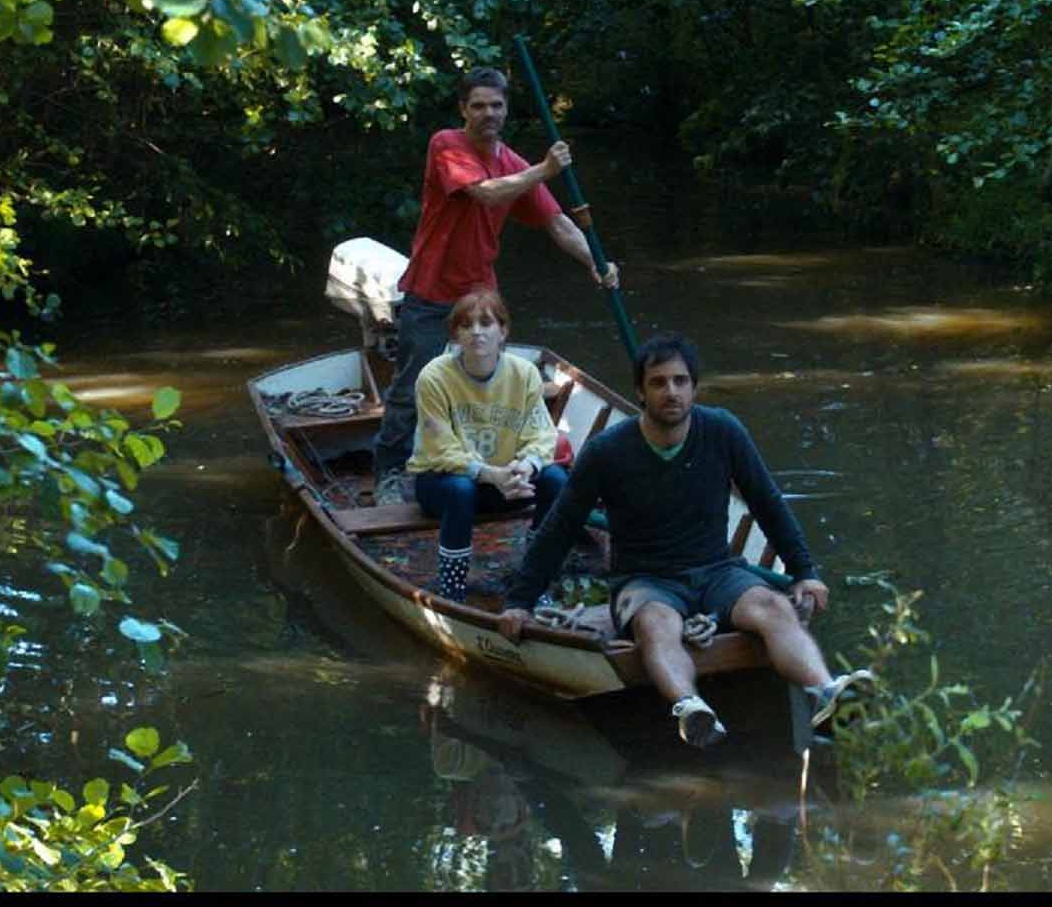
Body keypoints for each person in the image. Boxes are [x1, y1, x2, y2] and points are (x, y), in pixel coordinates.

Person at [498, 333, 872, 748]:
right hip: (646, 580)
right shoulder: (607, 451)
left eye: (679, 381)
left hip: (718, 571)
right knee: (658, 626)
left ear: (694, 387)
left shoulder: (723, 431)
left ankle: (826, 692)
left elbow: (767, 503)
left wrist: (804, 572)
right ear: (640, 392)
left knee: (773, 606)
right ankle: (690, 707)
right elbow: (560, 526)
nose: (670, 392)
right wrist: (520, 601)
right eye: (658, 382)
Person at [373, 66, 619, 506]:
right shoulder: (446, 144)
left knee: (492, 386)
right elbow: (486, 193)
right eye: (479, 105)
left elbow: (558, 223)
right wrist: (544, 169)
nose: (488, 113)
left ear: (506, 110)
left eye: (497, 105)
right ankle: (392, 471)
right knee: (411, 387)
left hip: (478, 294)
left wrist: (596, 263)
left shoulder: (514, 164)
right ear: (463, 109)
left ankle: (496, 466)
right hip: (431, 289)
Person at [408, 289, 569, 598]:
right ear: (456, 334)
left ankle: (534, 576)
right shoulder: (434, 377)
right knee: (460, 489)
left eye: (486, 323)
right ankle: (452, 589)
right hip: (442, 484)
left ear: (503, 331)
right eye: (466, 325)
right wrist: (490, 474)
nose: (476, 332)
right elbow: (440, 449)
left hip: (507, 481)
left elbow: (542, 434)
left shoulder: (524, 374)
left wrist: (525, 466)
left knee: (556, 480)